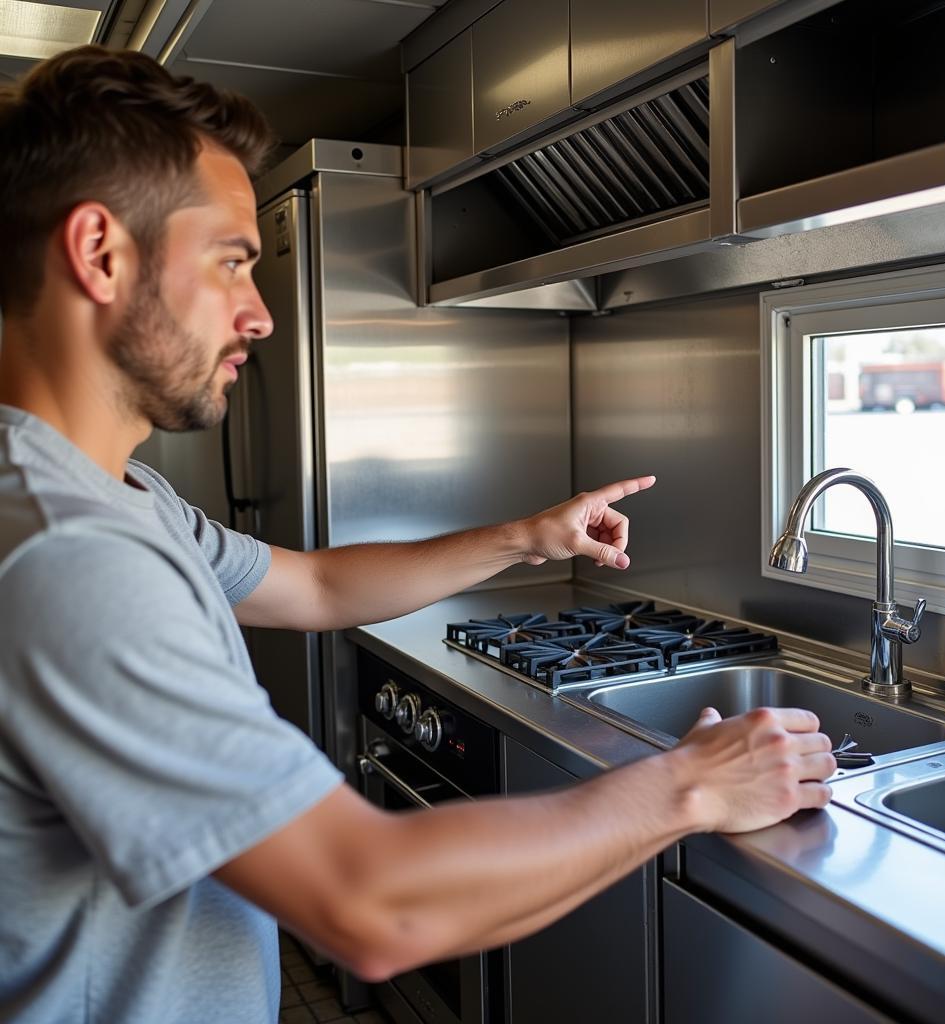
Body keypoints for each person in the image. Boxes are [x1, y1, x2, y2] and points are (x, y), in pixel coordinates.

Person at [0, 46, 836, 1024]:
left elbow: (311, 587)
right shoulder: (70, 551)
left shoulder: (108, 498)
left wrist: (530, 536)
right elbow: (370, 902)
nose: (261, 315)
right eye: (231, 261)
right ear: (101, 252)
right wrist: (688, 786)